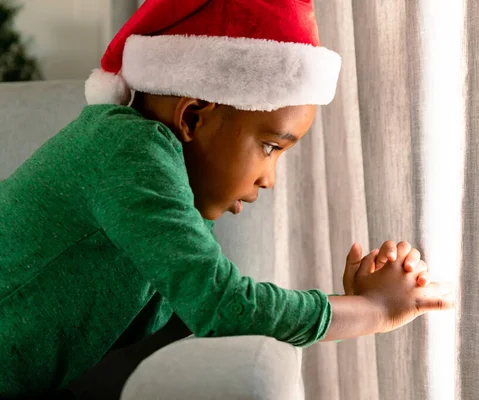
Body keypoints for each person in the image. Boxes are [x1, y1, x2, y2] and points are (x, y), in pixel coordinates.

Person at [0, 0, 454, 398]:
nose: (269, 179)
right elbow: (222, 307)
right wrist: (373, 310)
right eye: (271, 147)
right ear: (194, 117)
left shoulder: (161, 181)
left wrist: (347, 307)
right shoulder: (128, 148)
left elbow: (214, 313)